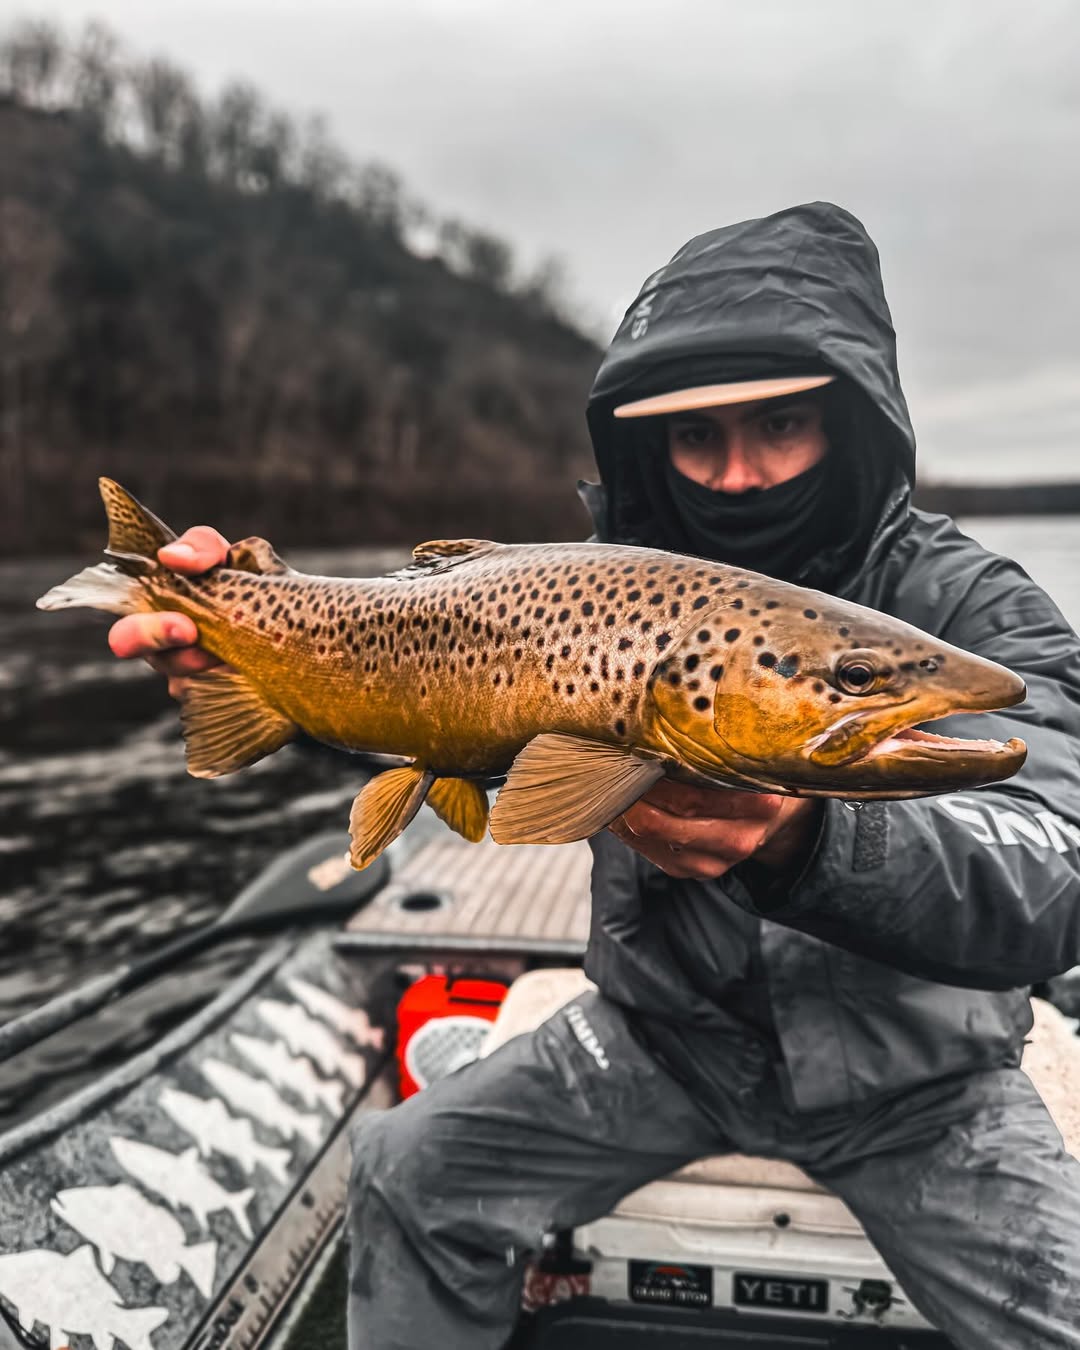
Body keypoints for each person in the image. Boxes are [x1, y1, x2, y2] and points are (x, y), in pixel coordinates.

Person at [109, 202, 1080, 1347]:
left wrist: (805, 840)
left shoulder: (973, 610)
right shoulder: (574, 587)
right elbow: (426, 704)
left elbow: (1059, 861)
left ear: (854, 428)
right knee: (404, 1170)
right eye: (695, 438)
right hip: (663, 1043)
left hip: (922, 1085)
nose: (737, 474)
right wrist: (249, 653)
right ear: (642, 445)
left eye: (779, 426)